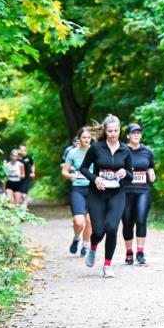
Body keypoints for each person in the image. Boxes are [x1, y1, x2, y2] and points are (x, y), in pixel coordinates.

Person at [78, 115, 132, 278]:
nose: (113, 134)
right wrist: (95, 179)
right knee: (99, 230)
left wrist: (125, 173)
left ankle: (107, 265)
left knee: (112, 227)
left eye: (116, 131)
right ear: (105, 131)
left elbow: (130, 175)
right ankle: (93, 247)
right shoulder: (96, 148)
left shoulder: (125, 150)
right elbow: (83, 168)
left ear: (120, 130)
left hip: (117, 193)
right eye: (110, 131)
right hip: (97, 194)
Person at [121, 123, 156, 265]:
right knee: (127, 222)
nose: (136, 135)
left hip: (143, 190)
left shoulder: (147, 151)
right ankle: (129, 252)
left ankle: (140, 253)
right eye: (133, 133)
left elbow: (150, 167)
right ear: (128, 136)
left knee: (141, 219)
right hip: (126, 191)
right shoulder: (122, 150)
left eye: (138, 133)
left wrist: (152, 174)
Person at [62, 127, 94, 256]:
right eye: (84, 137)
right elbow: (64, 171)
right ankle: (76, 238)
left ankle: (85, 246)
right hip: (78, 190)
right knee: (79, 221)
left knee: (90, 221)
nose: (86, 140)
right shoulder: (73, 153)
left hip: (93, 190)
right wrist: (70, 176)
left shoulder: (96, 151)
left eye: (88, 137)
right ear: (79, 139)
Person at [18, 144, 35, 211]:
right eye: (21, 150)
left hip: (26, 177)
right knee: (19, 194)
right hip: (18, 178)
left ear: (26, 150)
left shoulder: (28, 157)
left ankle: (24, 206)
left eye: (24, 150)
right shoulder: (16, 157)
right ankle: (19, 207)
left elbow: (33, 165)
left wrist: (33, 172)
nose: (22, 152)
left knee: (24, 194)